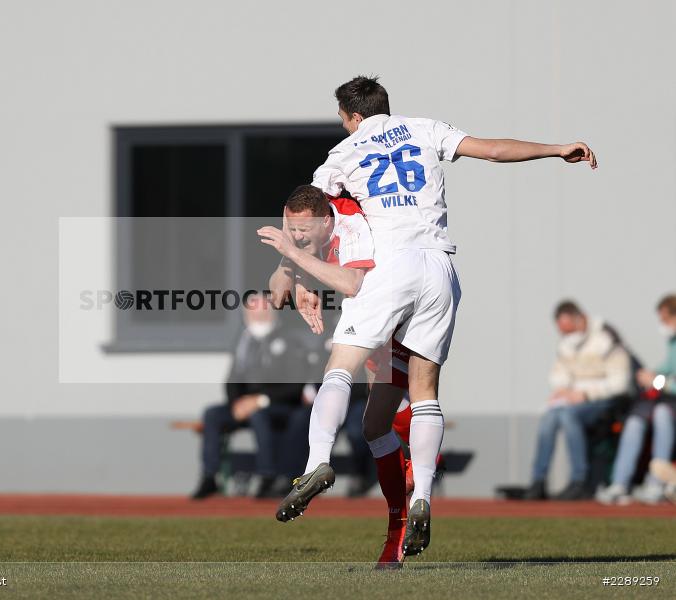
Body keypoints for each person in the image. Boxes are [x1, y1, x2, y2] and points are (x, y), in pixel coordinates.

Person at [259, 75, 596, 556]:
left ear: (350, 116)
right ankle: (421, 498)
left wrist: (292, 272)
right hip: (439, 268)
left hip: (387, 269)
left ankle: (317, 461)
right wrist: (556, 149)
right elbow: (494, 150)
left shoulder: (343, 154)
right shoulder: (424, 128)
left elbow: (306, 219)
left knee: (339, 368)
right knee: (424, 394)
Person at [260, 184, 415, 567]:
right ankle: (401, 519)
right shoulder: (308, 230)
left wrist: (295, 257)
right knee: (377, 425)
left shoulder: (349, 221)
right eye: (290, 227)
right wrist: (290, 267)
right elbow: (275, 296)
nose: (296, 236)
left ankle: (416, 472)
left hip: (398, 308)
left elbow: (350, 283)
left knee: (402, 404)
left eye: (303, 230)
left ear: (325, 221)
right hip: (368, 318)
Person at [190, 293, 310, 500]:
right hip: (245, 406)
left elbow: (295, 386)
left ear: (272, 312)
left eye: (262, 311)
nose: (257, 317)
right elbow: (233, 378)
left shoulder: (290, 341)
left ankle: (267, 476)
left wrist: (260, 400)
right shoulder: (244, 342)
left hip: (279, 406)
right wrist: (236, 403)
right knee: (212, 414)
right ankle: (210, 476)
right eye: (252, 312)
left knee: (259, 415)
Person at [523, 301, 631, 500]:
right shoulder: (566, 344)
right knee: (549, 416)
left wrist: (586, 394)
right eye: (563, 331)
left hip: (604, 401)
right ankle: (538, 480)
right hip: (572, 401)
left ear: (580, 319)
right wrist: (562, 389)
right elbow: (559, 374)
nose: (567, 335)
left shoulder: (606, 338)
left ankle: (579, 480)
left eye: (570, 329)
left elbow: (620, 383)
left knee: (566, 415)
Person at [598, 294, 676, 504]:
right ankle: (619, 483)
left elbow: (668, 381)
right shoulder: (672, 342)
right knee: (634, 420)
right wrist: (649, 375)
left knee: (661, 414)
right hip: (667, 399)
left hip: (670, 404)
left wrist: (657, 381)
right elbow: (667, 370)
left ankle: (657, 482)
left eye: (665, 320)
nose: (663, 325)